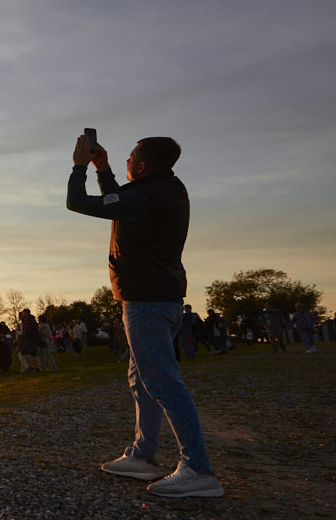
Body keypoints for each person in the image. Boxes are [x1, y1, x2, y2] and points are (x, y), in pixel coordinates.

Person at [67, 134, 222, 497]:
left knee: (163, 382)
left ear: (140, 166)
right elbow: (120, 199)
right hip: (160, 299)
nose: (125, 161)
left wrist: (79, 166)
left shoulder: (144, 197)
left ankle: (198, 469)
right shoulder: (162, 189)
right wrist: (103, 169)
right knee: (143, 380)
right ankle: (142, 456)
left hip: (147, 302)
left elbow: (78, 202)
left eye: (129, 158)